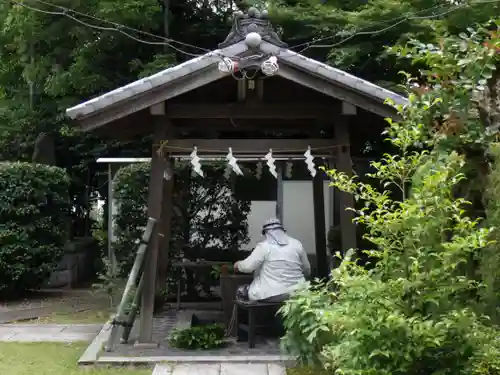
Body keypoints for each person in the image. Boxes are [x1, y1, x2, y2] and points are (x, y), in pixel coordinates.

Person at [234, 218, 311, 302]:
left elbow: (248, 267)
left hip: (271, 294)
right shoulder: (297, 244)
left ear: (266, 232)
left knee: (242, 291)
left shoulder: (264, 246)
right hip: (298, 292)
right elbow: (307, 269)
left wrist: (238, 265)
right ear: (282, 230)